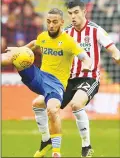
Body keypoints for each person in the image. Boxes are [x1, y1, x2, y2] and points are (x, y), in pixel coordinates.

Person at [32, 0, 120, 158]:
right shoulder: (65, 33)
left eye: (76, 12)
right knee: (38, 103)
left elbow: (114, 51)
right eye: (70, 13)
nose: (73, 16)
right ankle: (46, 141)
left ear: (84, 12)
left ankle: (87, 146)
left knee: (76, 104)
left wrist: (116, 56)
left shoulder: (96, 30)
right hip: (67, 80)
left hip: (89, 78)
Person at [1, 8, 92, 158]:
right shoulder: (43, 36)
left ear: (62, 22)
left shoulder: (69, 42)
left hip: (56, 84)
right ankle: (46, 142)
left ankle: (54, 150)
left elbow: (84, 57)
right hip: (39, 76)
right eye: (48, 21)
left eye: (55, 22)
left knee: (49, 108)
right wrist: (19, 49)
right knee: (16, 55)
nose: (51, 25)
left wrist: (87, 66)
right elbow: (34, 43)